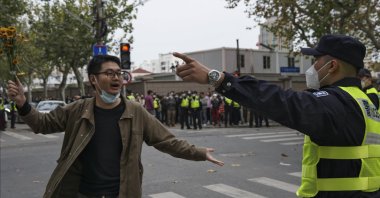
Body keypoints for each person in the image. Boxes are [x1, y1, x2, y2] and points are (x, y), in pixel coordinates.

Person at [174, 34, 380, 197]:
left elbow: (280, 100)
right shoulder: (366, 103)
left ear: (332, 66)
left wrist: (219, 79)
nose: (312, 67)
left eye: (316, 60)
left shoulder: (335, 103)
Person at [7, 55, 224, 198]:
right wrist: (23, 104)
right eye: (109, 73)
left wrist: (199, 152)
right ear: (93, 79)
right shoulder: (77, 110)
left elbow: (166, 141)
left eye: (119, 73)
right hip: (82, 193)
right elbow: (41, 124)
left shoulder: (135, 111)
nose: (116, 78)